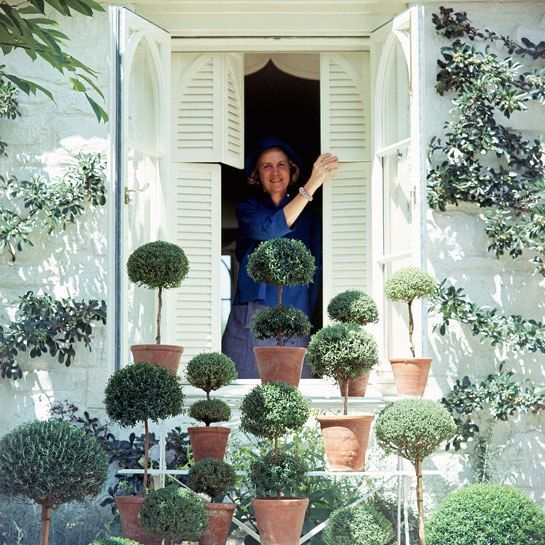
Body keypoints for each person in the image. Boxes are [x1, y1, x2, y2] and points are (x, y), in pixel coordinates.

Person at [222, 136, 339, 378]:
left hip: (297, 308)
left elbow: (317, 268)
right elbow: (270, 229)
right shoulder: (248, 209)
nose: (275, 172)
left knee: (297, 386)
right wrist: (311, 185)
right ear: (257, 175)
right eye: (267, 166)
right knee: (242, 382)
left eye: (281, 164)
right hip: (254, 310)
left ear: (291, 170)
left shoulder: (311, 218)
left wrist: (312, 313)